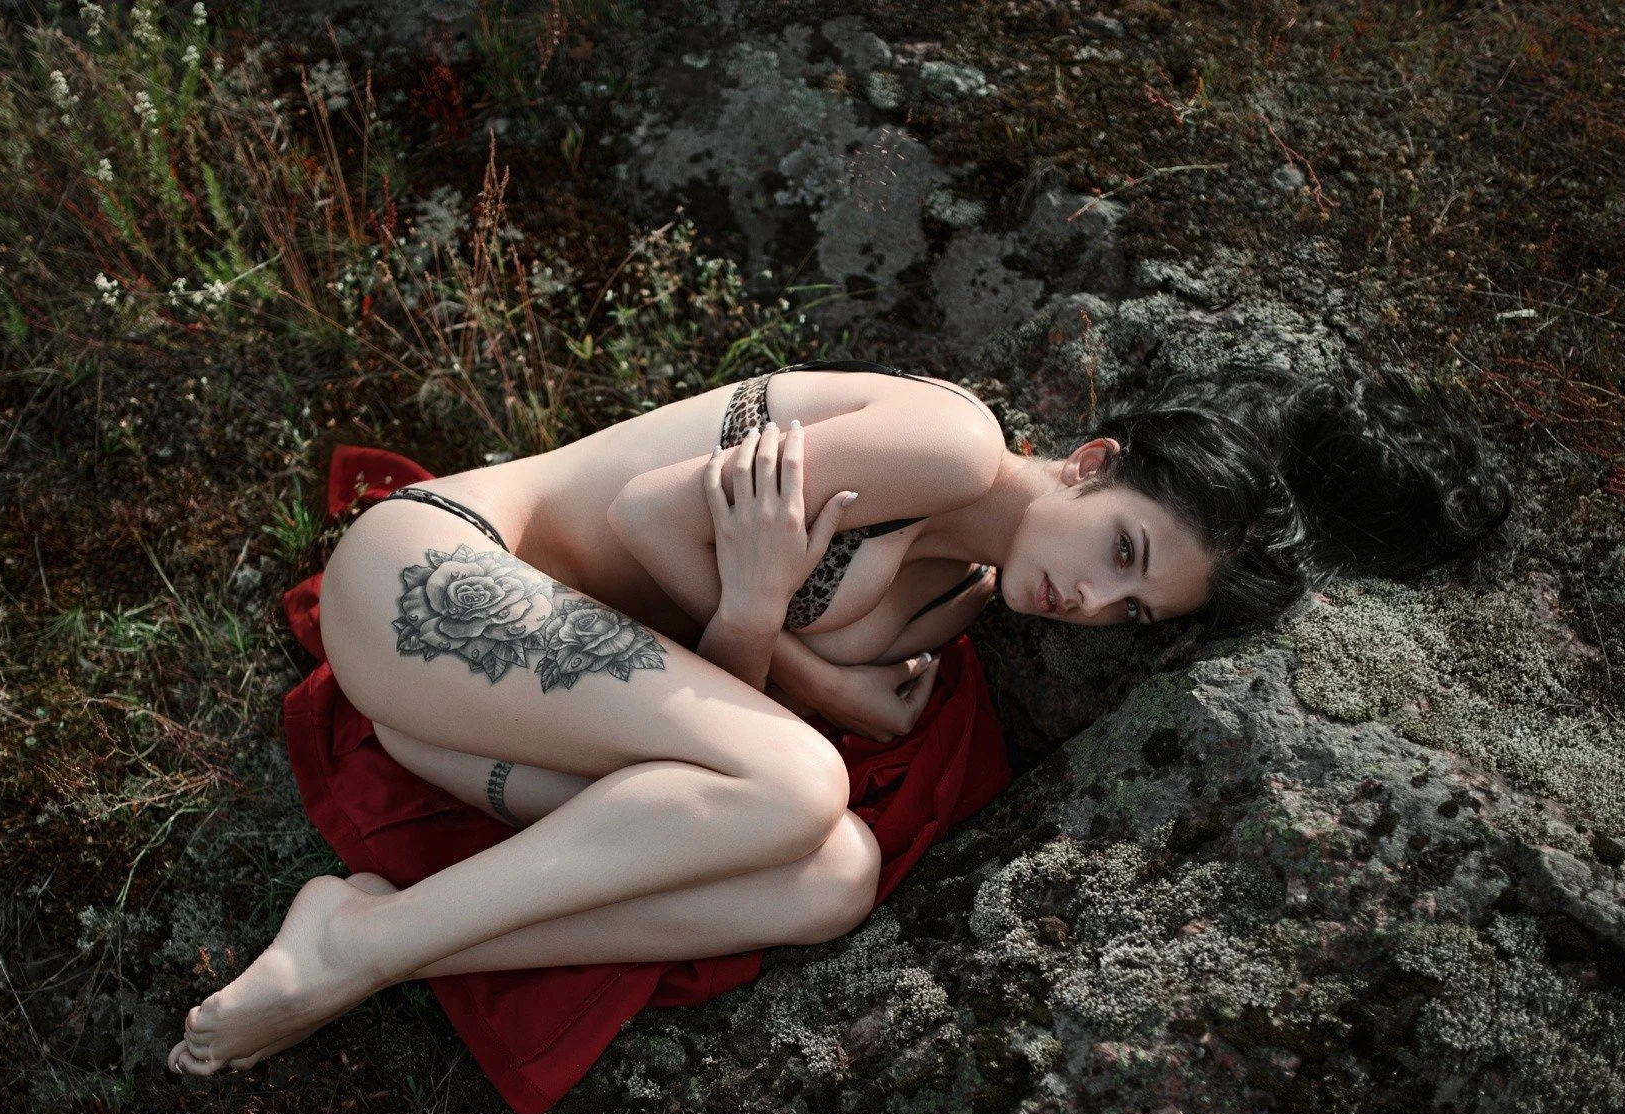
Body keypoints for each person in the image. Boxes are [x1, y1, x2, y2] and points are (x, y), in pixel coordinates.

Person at [167, 361, 1508, 1075]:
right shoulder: (949, 442)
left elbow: (713, 678)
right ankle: (360, 947)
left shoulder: (955, 599)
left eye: (1131, 608)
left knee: (834, 878)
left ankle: (381, 938)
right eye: (1122, 549)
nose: (1092, 601)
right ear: (1094, 462)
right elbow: (646, 515)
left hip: (475, 724)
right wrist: (803, 669)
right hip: (434, 574)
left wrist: (776, 641)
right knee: (805, 784)